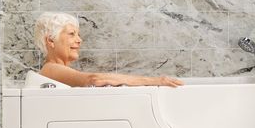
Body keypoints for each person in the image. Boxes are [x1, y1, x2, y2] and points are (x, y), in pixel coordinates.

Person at [34, 12, 183, 88]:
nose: (79, 40)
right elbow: (94, 79)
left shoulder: (53, 71)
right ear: (51, 40)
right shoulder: (51, 69)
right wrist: (156, 81)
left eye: (78, 34)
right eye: (72, 34)